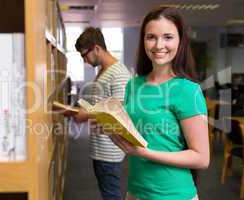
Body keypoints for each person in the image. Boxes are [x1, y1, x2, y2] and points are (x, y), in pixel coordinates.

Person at [109, 6, 209, 200]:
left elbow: (201, 158)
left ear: (180, 41)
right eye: (151, 37)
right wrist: (111, 128)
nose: (158, 45)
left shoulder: (188, 90)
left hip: (174, 194)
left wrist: (144, 152)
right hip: (136, 191)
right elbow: (137, 136)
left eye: (168, 37)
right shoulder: (133, 85)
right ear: (143, 41)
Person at [67, 27, 131, 200]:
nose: (84, 60)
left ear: (96, 48)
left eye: (84, 55)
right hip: (100, 147)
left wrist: (86, 114)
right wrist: (83, 109)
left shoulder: (118, 73)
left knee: (111, 195)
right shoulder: (103, 71)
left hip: (110, 149)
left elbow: (119, 110)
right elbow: (102, 104)